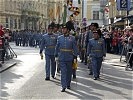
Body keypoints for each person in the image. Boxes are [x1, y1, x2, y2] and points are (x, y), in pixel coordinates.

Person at [55, 23, 78, 92]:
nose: (63, 30)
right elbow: (57, 47)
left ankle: (68, 84)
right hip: (62, 57)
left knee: (69, 72)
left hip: (69, 57)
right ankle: (63, 86)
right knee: (63, 72)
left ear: (68, 30)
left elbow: (75, 48)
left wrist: (75, 56)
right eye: (62, 29)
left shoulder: (72, 38)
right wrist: (56, 55)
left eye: (64, 29)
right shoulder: (59, 38)